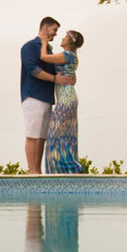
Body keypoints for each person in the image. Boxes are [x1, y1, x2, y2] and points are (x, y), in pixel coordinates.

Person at [20, 17, 61, 174]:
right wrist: (55, 78)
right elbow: (33, 69)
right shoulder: (29, 46)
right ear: (45, 27)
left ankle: (38, 172)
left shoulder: (49, 50)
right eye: (54, 30)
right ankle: (32, 172)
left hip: (47, 98)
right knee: (32, 135)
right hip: (33, 96)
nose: (55, 34)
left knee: (42, 137)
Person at [44, 29, 84, 173]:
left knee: (54, 136)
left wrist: (43, 40)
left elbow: (43, 57)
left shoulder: (66, 55)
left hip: (66, 100)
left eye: (65, 36)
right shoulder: (72, 56)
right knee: (66, 136)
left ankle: (65, 170)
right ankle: (69, 170)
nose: (62, 38)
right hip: (68, 98)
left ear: (70, 41)